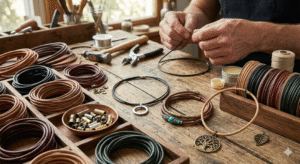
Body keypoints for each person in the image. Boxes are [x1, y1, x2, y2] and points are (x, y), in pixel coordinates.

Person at [159, 0, 300, 71]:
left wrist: (259, 36)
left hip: (290, 87)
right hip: (228, 79)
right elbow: (201, 8)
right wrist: (186, 21)